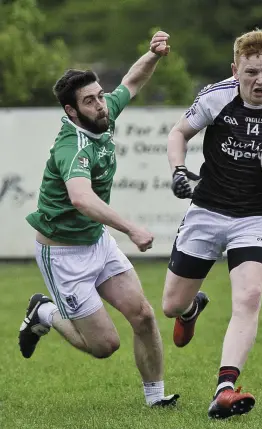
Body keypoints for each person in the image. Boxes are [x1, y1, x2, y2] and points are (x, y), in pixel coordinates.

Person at [162, 28, 262, 419]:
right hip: (207, 210)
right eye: (251, 72)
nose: (260, 81)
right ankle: (190, 310)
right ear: (235, 69)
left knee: (250, 296)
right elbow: (178, 133)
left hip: (257, 217)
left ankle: (225, 389)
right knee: (171, 305)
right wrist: (178, 170)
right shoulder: (216, 97)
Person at [18, 30, 179, 408]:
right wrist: (131, 228)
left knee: (143, 315)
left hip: (96, 243)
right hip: (63, 257)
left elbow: (132, 82)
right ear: (71, 111)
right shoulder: (71, 146)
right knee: (105, 346)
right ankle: (43, 311)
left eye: (99, 95)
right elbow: (81, 198)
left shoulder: (101, 113)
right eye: (89, 101)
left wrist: (152, 54)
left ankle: (156, 400)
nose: (101, 104)